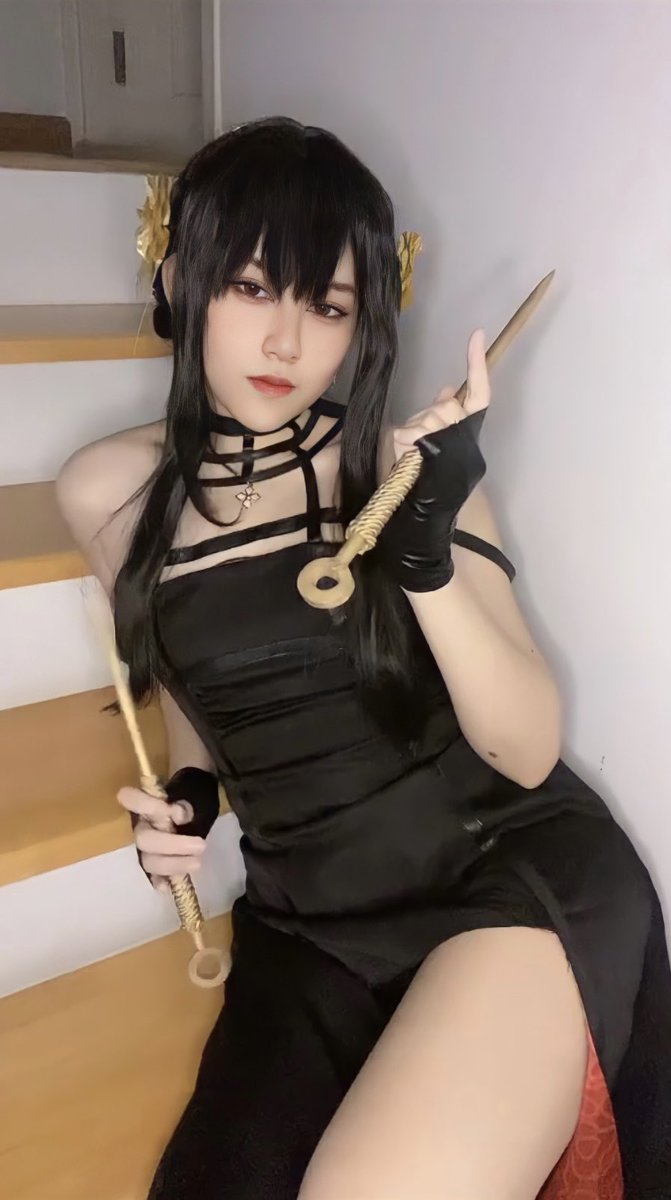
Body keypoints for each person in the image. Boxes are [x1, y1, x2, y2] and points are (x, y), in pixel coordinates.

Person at [56, 116, 671, 1200]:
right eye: (252, 288)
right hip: (310, 924)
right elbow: (199, 700)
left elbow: (525, 749)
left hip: (499, 878)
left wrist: (421, 552)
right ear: (179, 278)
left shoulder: (399, 471)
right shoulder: (108, 491)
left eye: (328, 306)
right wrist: (192, 797)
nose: (287, 343)